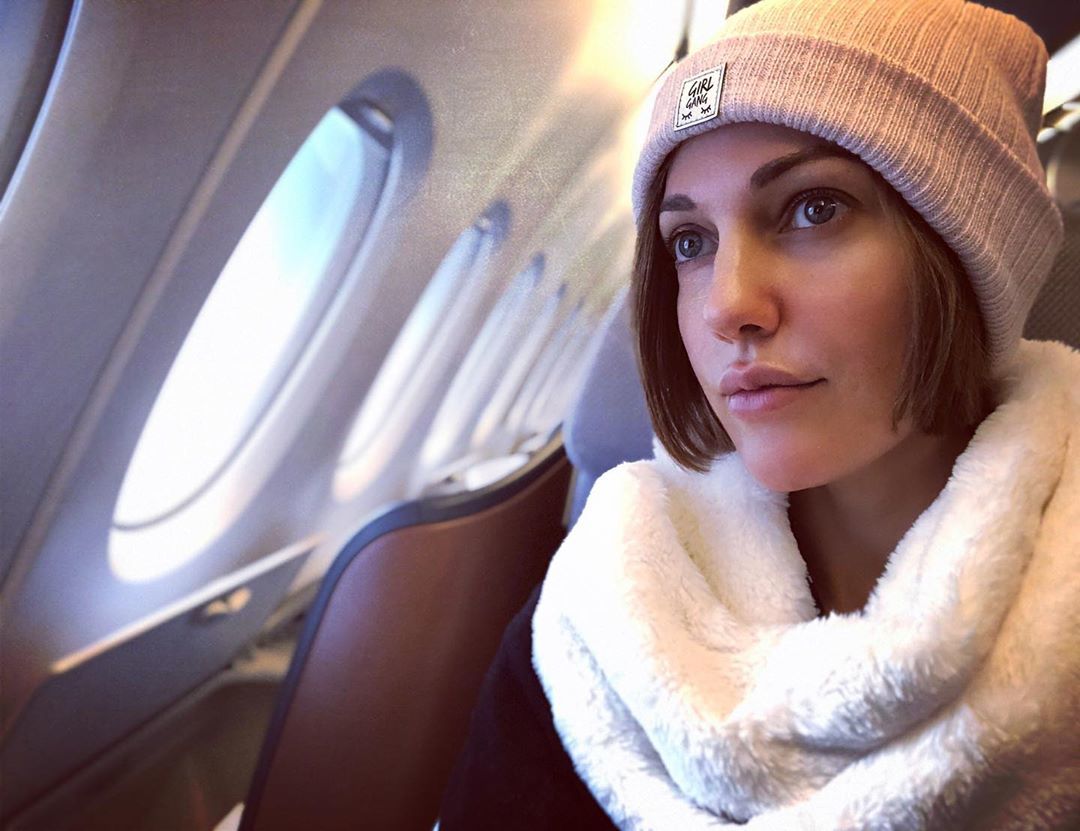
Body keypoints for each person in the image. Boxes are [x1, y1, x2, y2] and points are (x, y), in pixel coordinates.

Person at [439, 0, 1079, 827]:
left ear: (963, 250)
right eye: (691, 242)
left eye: (815, 209)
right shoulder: (598, 620)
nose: (728, 305)